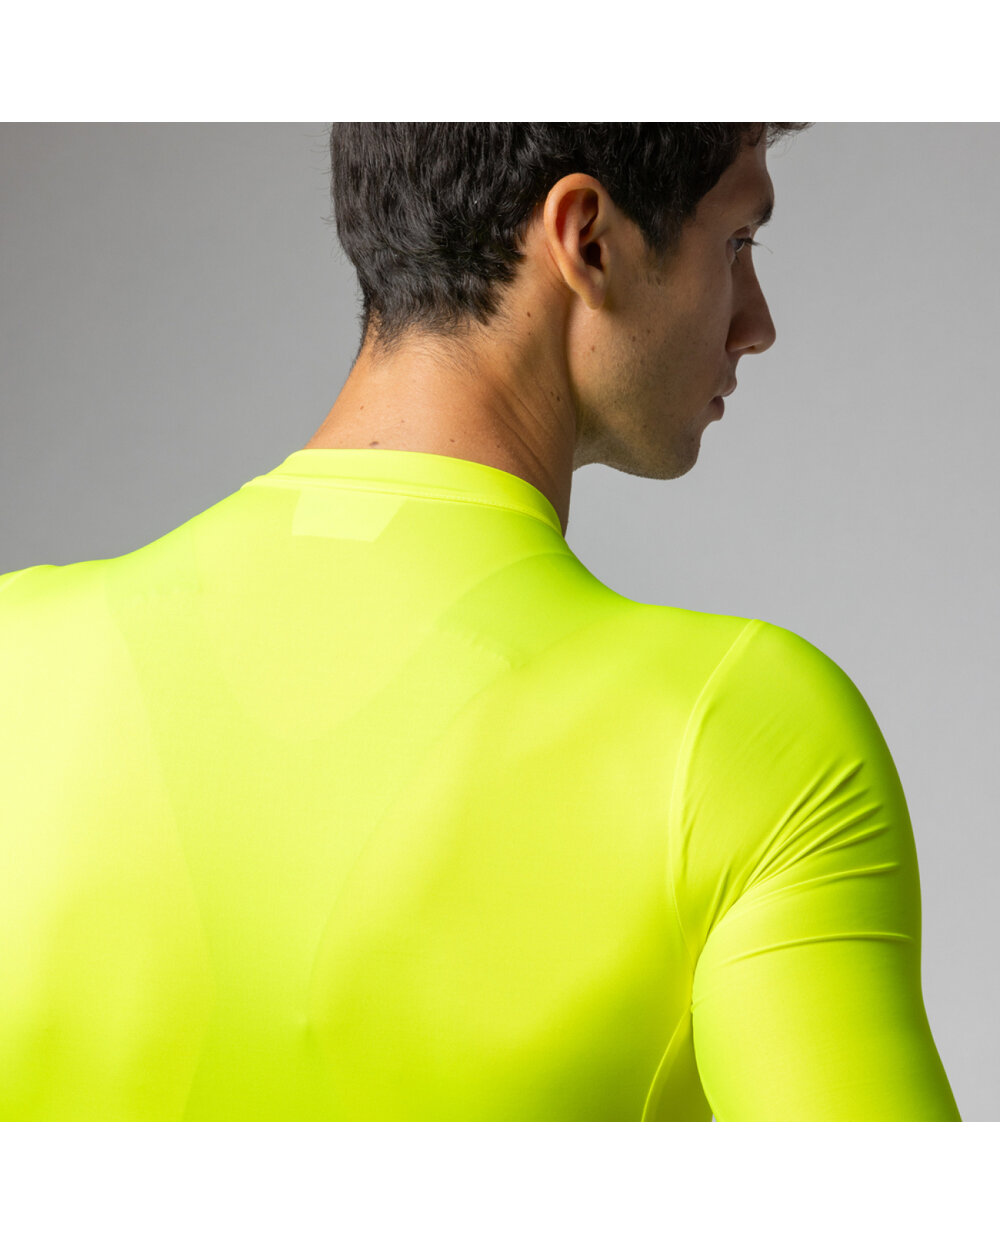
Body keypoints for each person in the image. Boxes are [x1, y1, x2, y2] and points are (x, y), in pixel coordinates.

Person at [0, 123, 961, 1121]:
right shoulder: (744, 738)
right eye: (737, 243)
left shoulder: (17, 660)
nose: (756, 323)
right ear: (587, 239)